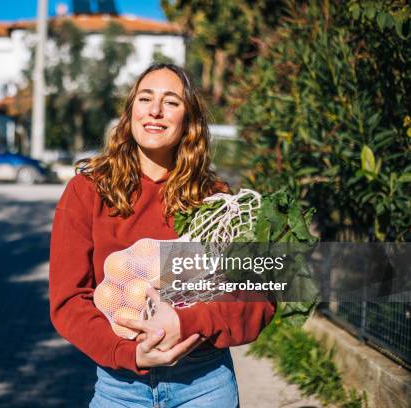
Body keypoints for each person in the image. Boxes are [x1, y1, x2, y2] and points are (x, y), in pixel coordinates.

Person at [49, 63, 275, 407]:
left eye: (171, 102)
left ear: (189, 120)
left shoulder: (216, 200)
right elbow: (68, 300)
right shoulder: (88, 192)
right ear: (130, 113)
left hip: (203, 385)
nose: (155, 110)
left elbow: (257, 297)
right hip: (120, 385)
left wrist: (185, 322)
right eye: (145, 98)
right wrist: (128, 352)